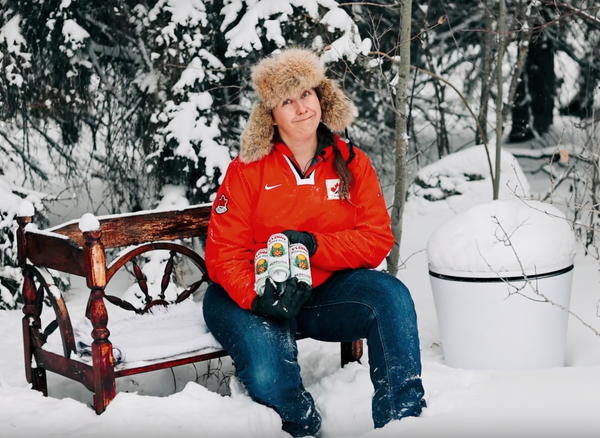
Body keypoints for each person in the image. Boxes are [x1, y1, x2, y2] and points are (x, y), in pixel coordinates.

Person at [203, 48, 426, 437]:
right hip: (252, 294)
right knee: (271, 376)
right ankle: (303, 425)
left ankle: (402, 421)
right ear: (270, 114)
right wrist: (257, 297)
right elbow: (223, 252)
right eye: (286, 101)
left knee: (391, 296)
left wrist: (313, 245)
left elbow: (376, 240)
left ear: (322, 96)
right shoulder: (247, 170)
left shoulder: (352, 162)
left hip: (321, 292)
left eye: (306, 94)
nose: (301, 107)